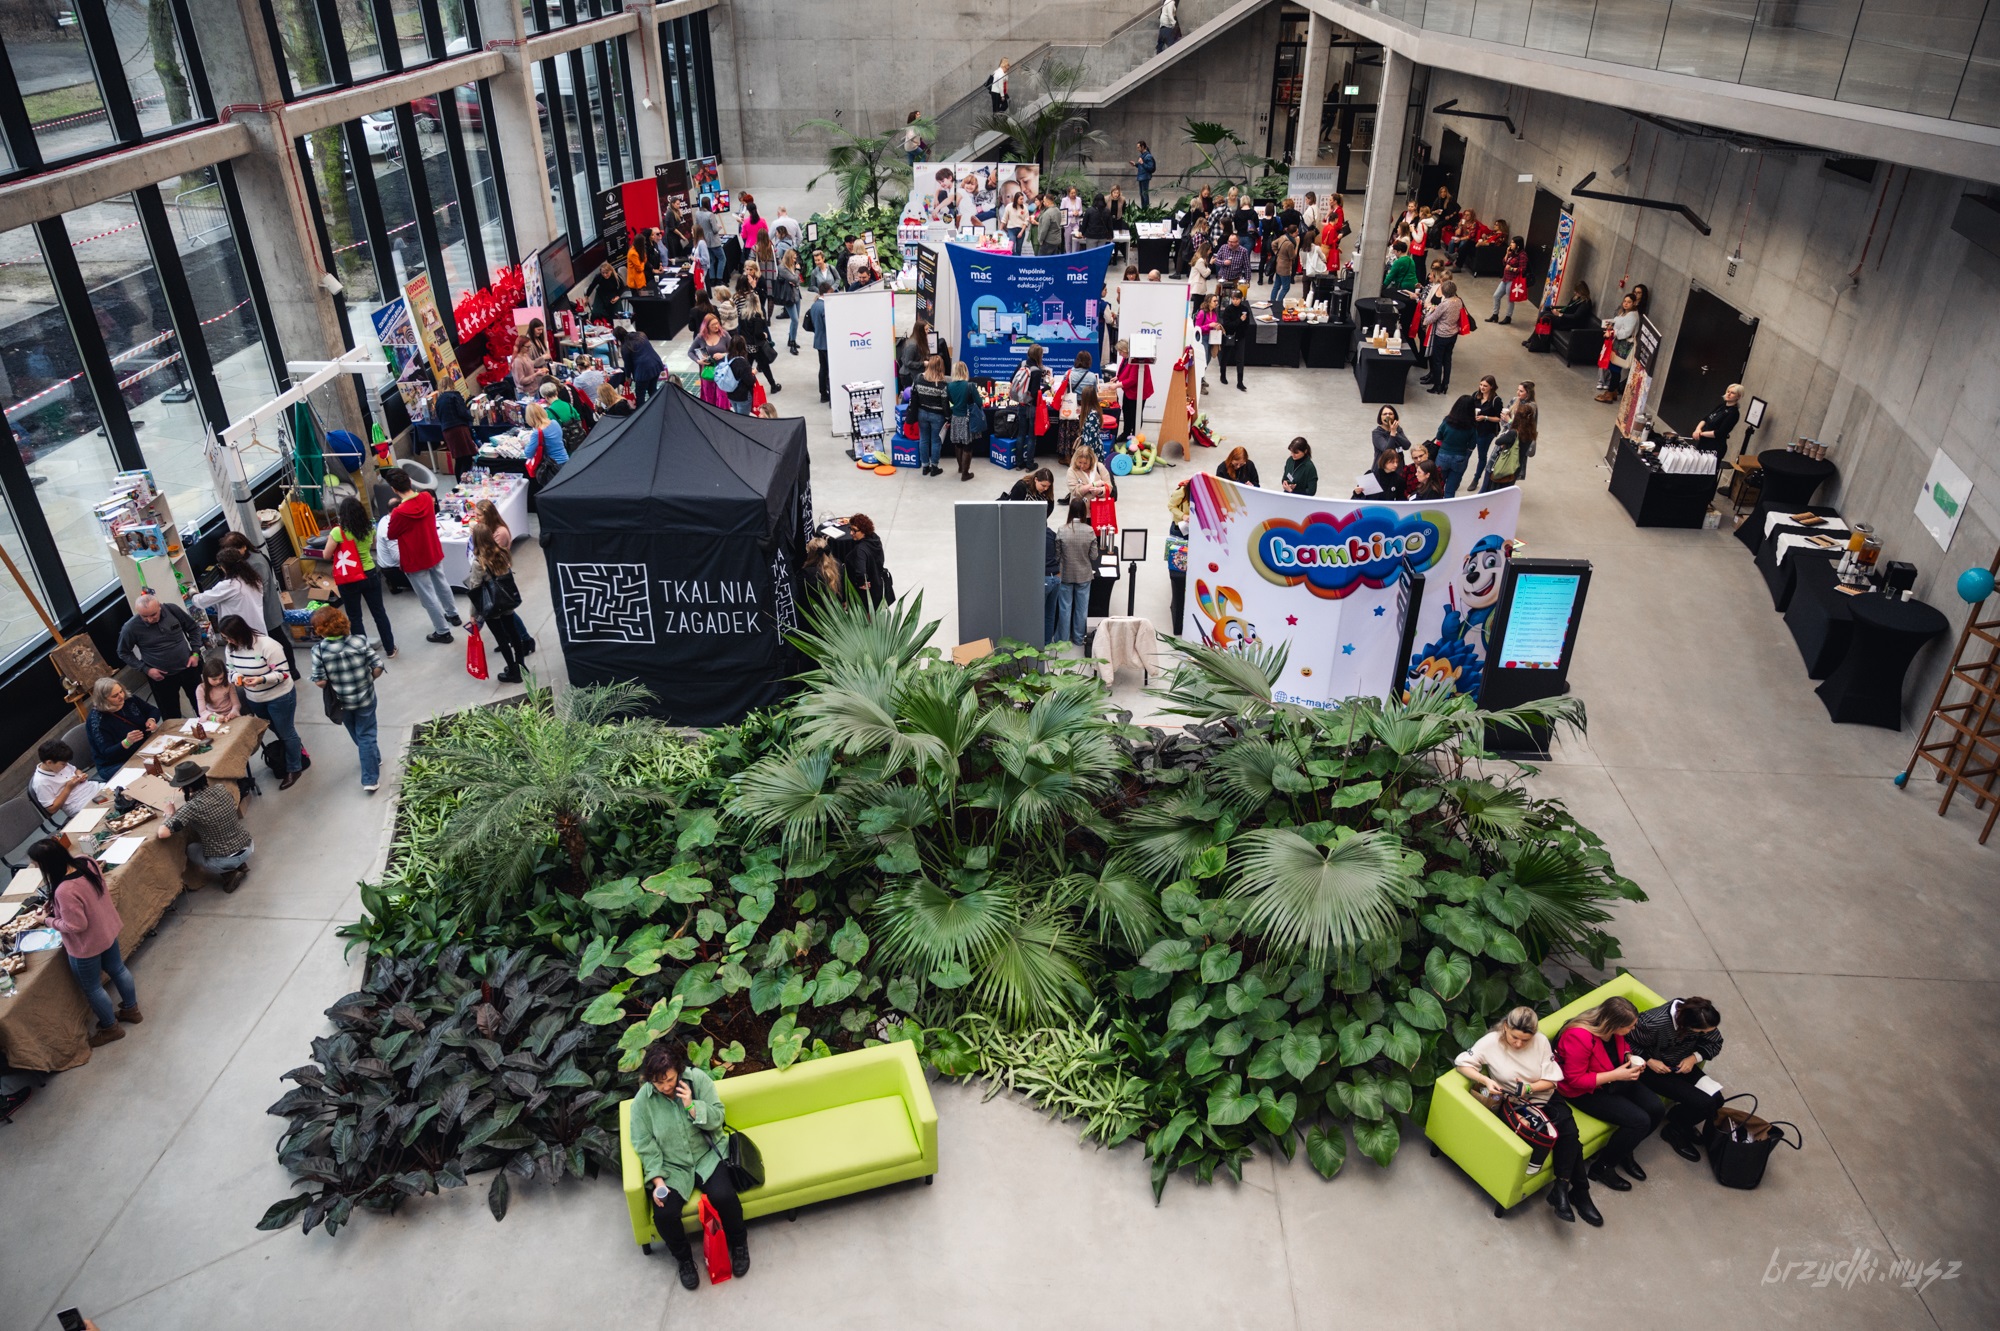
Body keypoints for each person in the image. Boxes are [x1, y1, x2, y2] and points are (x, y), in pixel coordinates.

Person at [1455, 1007, 1598, 1226]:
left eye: (1525, 1039)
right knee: (1566, 1139)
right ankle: (1575, 1192)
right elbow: (1462, 1063)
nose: (1519, 1044)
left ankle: (1564, 1189)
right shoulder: (1491, 1041)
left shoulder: (1540, 1042)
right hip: (1515, 1104)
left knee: (1570, 1134)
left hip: (1544, 1096)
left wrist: (1529, 1088)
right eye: (1514, 1037)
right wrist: (1486, 1081)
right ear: (1505, 1027)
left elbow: (1552, 1081)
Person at [631, 1041, 750, 1291]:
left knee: (725, 1196)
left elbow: (718, 1118)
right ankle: (684, 1260)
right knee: (663, 1214)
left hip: (707, 1155)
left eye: (669, 1079)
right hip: (672, 1167)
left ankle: (739, 1243)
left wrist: (692, 1107)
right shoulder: (643, 1100)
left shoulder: (697, 1080)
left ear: (678, 1069)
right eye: (658, 1082)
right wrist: (658, 1181)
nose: (665, 1087)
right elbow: (644, 1142)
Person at [31, 840, 139, 1047]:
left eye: (37, 865)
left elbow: (76, 925)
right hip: (107, 930)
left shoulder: (65, 890)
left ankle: (110, 1027)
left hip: (86, 946)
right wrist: (55, 903)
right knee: (118, 969)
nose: (37, 869)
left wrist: (46, 920)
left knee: (93, 988)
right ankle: (131, 1009)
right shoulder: (86, 862)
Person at [1556, 995, 1663, 1195]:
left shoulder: (1613, 1030)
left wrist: (1628, 1057)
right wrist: (1616, 1074)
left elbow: (1623, 1046)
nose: (1632, 1030)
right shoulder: (1579, 1036)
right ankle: (1603, 1167)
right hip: (1584, 1091)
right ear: (1614, 1023)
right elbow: (1575, 1080)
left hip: (1615, 1077)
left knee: (1656, 1108)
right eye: (1629, 1027)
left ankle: (1624, 1149)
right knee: (1639, 1121)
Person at [1629, 995, 1725, 1162]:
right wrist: (1650, 1061)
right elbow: (1628, 1042)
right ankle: (1674, 1131)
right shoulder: (1654, 1023)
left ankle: (1678, 1120)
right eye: (1701, 1032)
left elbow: (1715, 1042)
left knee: (1717, 1100)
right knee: (1705, 1104)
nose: (1705, 1034)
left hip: (1680, 1064)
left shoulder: (1702, 1020)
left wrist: (1694, 1058)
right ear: (1687, 1025)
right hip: (1652, 1070)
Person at [218, 613, 304, 790]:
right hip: (255, 698)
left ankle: (295, 768)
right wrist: (237, 678)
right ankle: (297, 749)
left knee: (286, 731)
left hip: (279, 696)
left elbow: (284, 673)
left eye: (230, 638)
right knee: (276, 728)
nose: (228, 642)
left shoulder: (268, 646)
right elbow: (230, 669)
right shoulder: (231, 648)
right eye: (225, 638)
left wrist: (261, 679)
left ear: (241, 633)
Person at [305, 606, 388, 790]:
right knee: (366, 734)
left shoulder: (318, 650)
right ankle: (373, 761)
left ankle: (370, 779)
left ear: (319, 630)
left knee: (358, 733)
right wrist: (369, 679)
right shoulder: (359, 641)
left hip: (341, 702)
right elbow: (378, 666)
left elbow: (320, 682)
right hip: (365, 697)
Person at [384, 467, 462, 644]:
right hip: (432, 549)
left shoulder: (398, 513)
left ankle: (443, 631)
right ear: (410, 482)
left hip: (414, 557)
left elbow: (391, 534)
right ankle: (453, 614)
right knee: (442, 582)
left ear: (394, 489)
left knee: (428, 595)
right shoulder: (427, 498)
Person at [320, 497, 398, 658]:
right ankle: (390, 648)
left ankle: (362, 652)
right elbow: (373, 545)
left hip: (349, 577)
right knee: (379, 613)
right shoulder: (369, 528)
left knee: (355, 617)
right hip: (369, 573)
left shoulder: (338, 532)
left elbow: (326, 555)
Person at [158, 758, 254, 886]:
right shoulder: (221, 788)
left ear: (186, 787)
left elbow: (162, 833)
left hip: (225, 859)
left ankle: (229, 874)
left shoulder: (191, 807)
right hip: (248, 845)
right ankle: (241, 864)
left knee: (191, 849)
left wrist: (169, 814)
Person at [117, 593, 203, 718]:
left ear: (160, 607)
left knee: (202, 705)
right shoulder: (130, 627)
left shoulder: (172, 610)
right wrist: (146, 669)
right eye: (144, 616)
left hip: (188, 668)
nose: (150, 619)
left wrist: (195, 652)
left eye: (153, 614)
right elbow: (123, 652)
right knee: (171, 715)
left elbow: (193, 628)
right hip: (161, 678)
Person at [466, 525, 529, 684]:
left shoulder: (478, 562)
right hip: (507, 599)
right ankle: (521, 665)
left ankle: (513, 672)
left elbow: (475, 588)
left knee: (501, 638)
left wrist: (474, 614)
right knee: (513, 632)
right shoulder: (501, 553)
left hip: (491, 605)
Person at [85, 676, 160, 779]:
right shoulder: (97, 721)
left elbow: (153, 710)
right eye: (115, 696)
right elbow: (107, 753)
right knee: (148, 773)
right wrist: (127, 742)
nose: (121, 696)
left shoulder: (129, 699)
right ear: (104, 700)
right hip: (115, 763)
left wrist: (151, 719)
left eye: (121, 691)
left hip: (142, 747)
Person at [1054, 498, 1096, 646]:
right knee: (1081, 609)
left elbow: (1057, 555)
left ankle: (1063, 640)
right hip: (1084, 575)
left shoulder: (1062, 530)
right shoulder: (1089, 531)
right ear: (1084, 511)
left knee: (1065, 608)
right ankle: (1079, 639)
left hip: (1065, 574)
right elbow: (1094, 556)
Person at [826, 514, 888, 607]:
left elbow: (860, 571)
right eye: (850, 529)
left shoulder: (860, 550)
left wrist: (861, 582)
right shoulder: (875, 538)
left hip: (864, 596)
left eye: (854, 530)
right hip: (877, 585)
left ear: (864, 531)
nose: (851, 533)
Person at [30, 739, 103, 819]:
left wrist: (80, 775)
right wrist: (68, 788)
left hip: (94, 789)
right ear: (49, 763)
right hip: (79, 804)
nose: (66, 766)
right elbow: (52, 809)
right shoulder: (40, 782)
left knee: (117, 791)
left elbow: (76, 770)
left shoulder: (60, 763)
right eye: (63, 764)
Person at [1595, 292, 1641, 401]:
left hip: (1624, 345)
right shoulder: (1624, 313)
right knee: (1613, 366)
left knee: (1615, 368)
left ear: (1634, 303)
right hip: (1618, 343)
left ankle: (1610, 393)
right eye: (1625, 301)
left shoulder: (1632, 315)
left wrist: (1612, 332)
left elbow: (1627, 332)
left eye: (1629, 302)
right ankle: (1613, 391)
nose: (1626, 304)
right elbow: (1617, 322)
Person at [1420, 279, 1464, 395]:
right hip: (1453, 334)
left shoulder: (1444, 305)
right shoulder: (1459, 301)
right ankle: (1445, 384)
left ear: (1444, 293)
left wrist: (1429, 311)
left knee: (1437, 361)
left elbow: (1429, 320)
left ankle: (1437, 386)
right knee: (1447, 360)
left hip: (1441, 335)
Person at [908, 355, 950, 476]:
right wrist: (948, 417)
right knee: (936, 442)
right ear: (941, 367)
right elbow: (945, 404)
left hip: (921, 413)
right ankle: (934, 467)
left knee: (924, 440)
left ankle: (925, 466)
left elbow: (913, 394)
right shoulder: (942, 384)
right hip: (937, 416)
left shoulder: (918, 378)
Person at [1432, 395, 1480, 498]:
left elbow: (1439, 437)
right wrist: (1465, 458)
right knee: (1450, 490)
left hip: (1443, 456)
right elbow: (1472, 445)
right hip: (1460, 457)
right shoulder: (1472, 425)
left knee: (1438, 486)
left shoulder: (1447, 421)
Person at [521, 401, 571, 488]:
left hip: (552, 466)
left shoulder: (537, 432)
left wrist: (524, 445)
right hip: (565, 459)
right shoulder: (554, 423)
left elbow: (528, 453)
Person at [1112, 339, 1151, 444]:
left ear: (1125, 350)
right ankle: (1126, 432)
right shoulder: (1126, 358)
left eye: (1121, 352)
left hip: (1138, 391)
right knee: (1126, 411)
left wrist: (1117, 385)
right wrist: (1117, 377)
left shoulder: (1136, 360)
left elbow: (1133, 380)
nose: (1120, 354)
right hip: (1130, 391)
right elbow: (1124, 370)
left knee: (1135, 414)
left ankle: (1135, 435)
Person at [1470, 375, 1505, 488]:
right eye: (1481, 385)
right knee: (1466, 453)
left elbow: (1499, 418)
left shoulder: (1496, 400)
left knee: (1482, 455)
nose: (1482, 388)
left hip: (1486, 432)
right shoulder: (1476, 395)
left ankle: (1476, 479)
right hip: (1474, 429)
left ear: (1492, 387)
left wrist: (1485, 417)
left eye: (1485, 386)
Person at [946, 361, 978, 482]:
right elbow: (979, 403)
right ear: (965, 371)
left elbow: (949, 402)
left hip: (955, 418)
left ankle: (960, 467)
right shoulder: (970, 386)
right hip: (967, 418)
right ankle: (965, 473)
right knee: (967, 446)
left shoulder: (949, 386)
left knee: (958, 443)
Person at [1689, 384, 1743, 454]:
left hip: (1714, 447)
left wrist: (1701, 433)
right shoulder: (1721, 406)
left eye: (1732, 393)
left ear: (1738, 396)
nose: (1728, 394)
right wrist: (1698, 429)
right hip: (1703, 442)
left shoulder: (1734, 413)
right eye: (1728, 391)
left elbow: (1720, 432)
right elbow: (1706, 418)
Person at [804, 279, 835, 402]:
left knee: (823, 368)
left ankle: (823, 393)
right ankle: (829, 392)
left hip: (818, 341)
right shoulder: (825, 307)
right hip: (827, 343)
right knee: (829, 369)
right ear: (827, 292)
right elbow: (829, 326)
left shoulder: (814, 305)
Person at [1218, 286, 1250, 390]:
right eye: (1233, 299)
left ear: (1241, 299)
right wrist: (1240, 321)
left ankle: (1240, 382)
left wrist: (1241, 328)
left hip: (1240, 337)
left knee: (1240, 359)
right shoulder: (1228, 309)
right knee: (1225, 357)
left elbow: (1247, 324)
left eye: (1237, 299)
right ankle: (1223, 375)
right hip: (1229, 337)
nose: (1235, 301)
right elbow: (1227, 325)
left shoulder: (1245, 310)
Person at [1492, 236, 1527, 324]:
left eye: (1513, 242)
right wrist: (1507, 253)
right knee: (1496, 296)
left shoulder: (1522, 255)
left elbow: (1523, 269)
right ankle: (1495, 315)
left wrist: (1511, 269)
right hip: (1505, 278)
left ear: (1517, 244)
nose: (1511, 244)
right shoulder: (1513, 253)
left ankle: (1508, 317)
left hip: (1513, 280)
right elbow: (1504, 262)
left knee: (1510, 299)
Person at [196, 654, 241, 722]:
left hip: (230, 715)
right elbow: (202, 711)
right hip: (212, 717)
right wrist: (214, 718)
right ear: (206, 677)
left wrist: (233, 712)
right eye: (214, 679)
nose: (218, 681)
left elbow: (236, 704)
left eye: (221, 678)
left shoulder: (229, 685)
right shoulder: (201, 689)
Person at [1511, 381, 1538, 479]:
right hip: (1509, 436)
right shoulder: (1514, 400)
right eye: (1518, 390)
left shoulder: (1531, 407)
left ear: (1528, 393)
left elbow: (1524, 426)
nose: (1518, 393)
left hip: (1520, 440)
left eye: (1521, 391)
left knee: (1512, 468)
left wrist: (1509, 420)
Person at [1270, 224, 1299, 308]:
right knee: (1286, 287)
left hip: (1278, 264)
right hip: (1285, 267)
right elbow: (1292, 257)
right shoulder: (1290, 244)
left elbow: (1273, 243)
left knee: (1276, 285)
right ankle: (1279, 303)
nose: (1298, 233)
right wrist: (1296, 245)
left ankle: (1272, 301)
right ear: (1292, 233)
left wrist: (1276, 253)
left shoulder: (1283, 237)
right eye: (1296, 232)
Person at [1130, 141, 1156, 209]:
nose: (1137, 149)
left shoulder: (1148, 156)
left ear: (1143, 147)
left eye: (1138, 147)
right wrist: (1135, 164)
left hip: (1145, 177)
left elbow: (1150, 167)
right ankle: (1143, 209)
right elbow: (1141, 166)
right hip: (1141, 177)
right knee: (1142, 194)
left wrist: (1142, 163)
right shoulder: (1142, 155)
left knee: (1144, 194)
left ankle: (1146, 209)